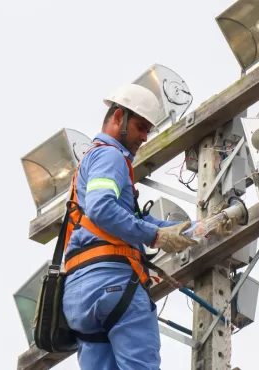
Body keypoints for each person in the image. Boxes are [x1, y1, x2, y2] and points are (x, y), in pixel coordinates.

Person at [62, 83, 234, 370]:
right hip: (112, 283)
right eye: (141, 126)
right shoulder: (110, 156)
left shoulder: (89, 164)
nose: (144, 137)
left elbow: (128, 218)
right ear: (118, 118)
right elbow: (102, 207)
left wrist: (191, 229)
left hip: (79, 297)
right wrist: (155, 236)